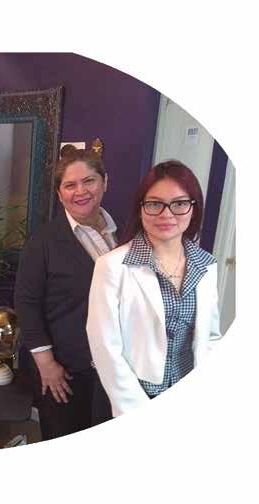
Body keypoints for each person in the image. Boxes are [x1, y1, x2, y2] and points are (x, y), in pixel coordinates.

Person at [86, 160, 221, 417]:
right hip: (135, 398)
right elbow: (104, 347)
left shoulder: (206, 264)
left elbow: (211, 336)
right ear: (141, 209)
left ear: (194, 209)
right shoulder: (112, 266)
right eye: (155, 204)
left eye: (179, 204)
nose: (166, 214)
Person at [14, 146, 116, 440]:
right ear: (60, 194)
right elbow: (26, 303)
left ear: (105, 182)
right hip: (65, 370)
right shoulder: (43, 242)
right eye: (70, 185)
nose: (80, 191)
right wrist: (46, 365)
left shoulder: (122, 233)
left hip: (111, 365)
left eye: (89, 181)